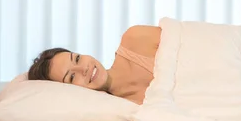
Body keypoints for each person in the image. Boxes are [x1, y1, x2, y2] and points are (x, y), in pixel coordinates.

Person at [27, 25, 161, 105]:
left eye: (77, 59)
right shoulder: (126, 112)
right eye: (72, 77)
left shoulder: (135, 39)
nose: (83, 69)